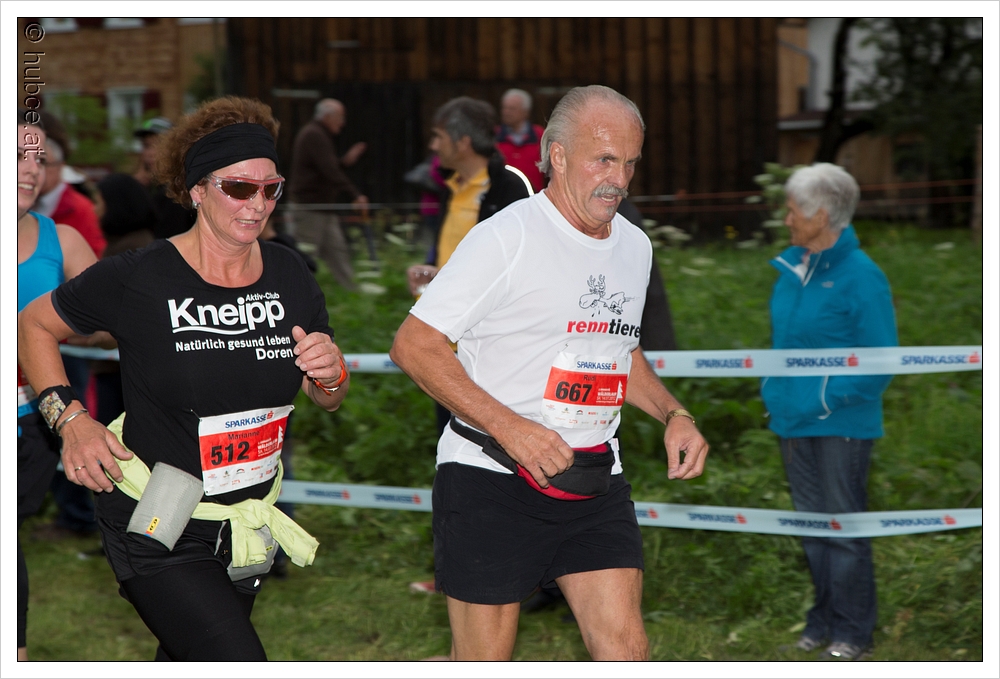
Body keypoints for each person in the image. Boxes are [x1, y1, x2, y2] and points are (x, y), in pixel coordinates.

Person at [18, 96, 349, 661]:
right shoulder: (142, 276)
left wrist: (332, 374)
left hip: (245, 521)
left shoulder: (290, 273)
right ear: (198, 189)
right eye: (239, 188)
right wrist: (70, 420)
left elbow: (327, 396)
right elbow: (33, 323)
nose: (258, 204)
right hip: (157, 515)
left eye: (270, 189)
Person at [390, 85, 709, 661]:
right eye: (603, 159)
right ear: (557, 155)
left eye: (630, 162)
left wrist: (673, 413)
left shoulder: (635, 246)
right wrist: (513, 429)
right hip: (491, 477)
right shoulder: (505, 237)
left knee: (626, 652)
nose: (619, 179)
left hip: (594, 479)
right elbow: (415, 345)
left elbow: (620, 348)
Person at [762, 163, 898, 661]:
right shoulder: (791, 270)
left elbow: (882, 361)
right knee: (813, 529)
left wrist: (823, 398)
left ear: (821, 215)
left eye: (793, 210)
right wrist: (778, 392)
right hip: (791, 422)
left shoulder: (862, 276)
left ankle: (854, 633)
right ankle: (822, 621)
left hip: (842, 424)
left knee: (843, 531)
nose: (787, 219)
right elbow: (783, 347)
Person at [16, 109, 102, 661]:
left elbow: (118, 321)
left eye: (40, 159)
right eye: (18, 156)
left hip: (30, 421)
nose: (32, 169)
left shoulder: (62, 239)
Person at [406, 96, 532, 436]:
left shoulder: (510, 188)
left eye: (438, 136)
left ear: (462, 142)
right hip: (443, 347)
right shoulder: (451, 188)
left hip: (490, 354)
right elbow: (455, 256)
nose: (433, 146)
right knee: (449, 444)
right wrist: (429, 269)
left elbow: (524, 267)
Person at [289, 98, 368, 290]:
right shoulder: (314, 134)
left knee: (337, 251)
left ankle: (352, 292)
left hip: (323, 208)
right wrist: (355, 195)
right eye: (340, 117)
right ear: (327, 116)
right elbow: (330, 171)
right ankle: (296, 294)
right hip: (310, 208)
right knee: (305, 256)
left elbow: (326, 169)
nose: (342, 123)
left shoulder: (318, 134)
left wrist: (344, 162)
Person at [133, 116, 197, 239]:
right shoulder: (149, 188)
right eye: (146, 146)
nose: (150, 153)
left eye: (158, 145)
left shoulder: (180, 191)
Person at [495, 88, 546, 193]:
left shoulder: (540, 135)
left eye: (512, 109)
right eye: (504, 108)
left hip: (533, 196)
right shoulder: (494, 136)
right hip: (503, 196)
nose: (506, 112)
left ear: (525, 112)